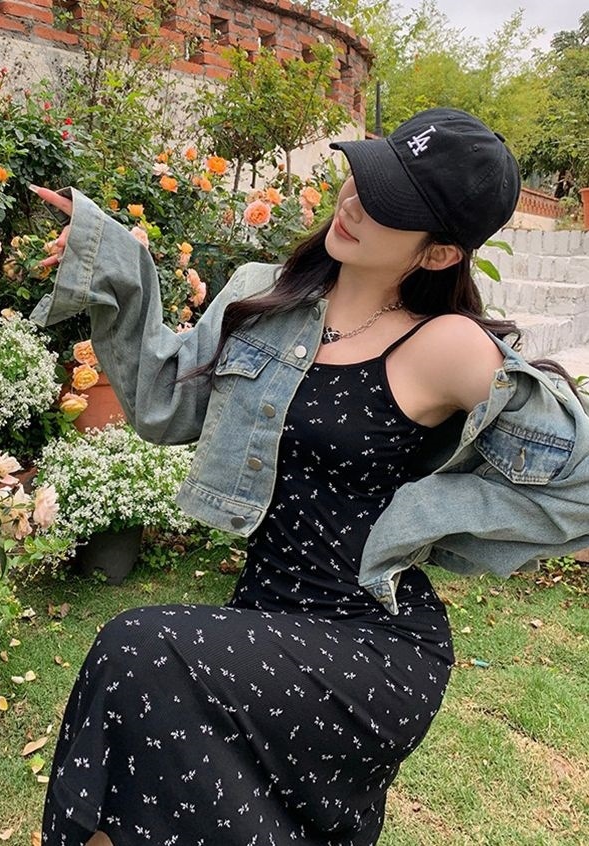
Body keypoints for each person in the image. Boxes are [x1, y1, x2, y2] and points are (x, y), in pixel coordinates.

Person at [30, 108, 589, 846]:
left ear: (439, 254)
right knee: (148, 797)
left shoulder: (446, 346)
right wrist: (117, 268)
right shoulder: (265, 294)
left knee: (138, 648)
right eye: (365, 179)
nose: (352, 202)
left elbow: (577, 481)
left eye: (388, 206)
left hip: (371, 642)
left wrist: (428, 517)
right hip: (265, 615)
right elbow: (165, 403)